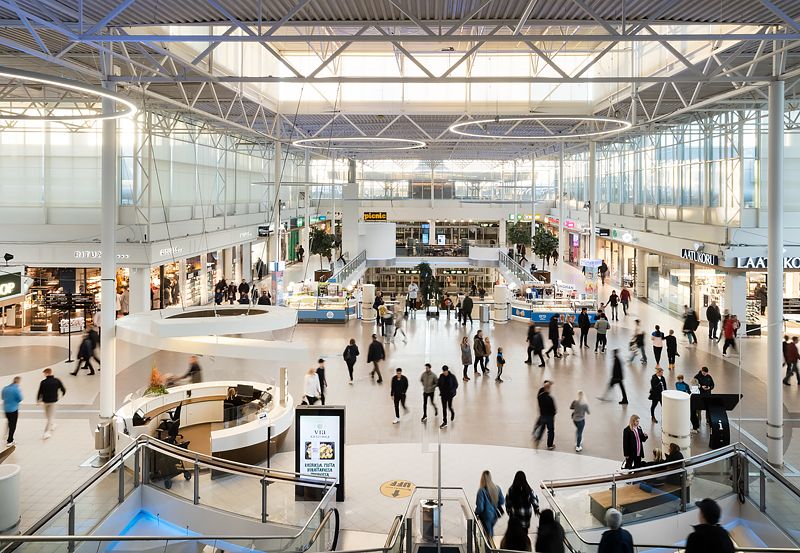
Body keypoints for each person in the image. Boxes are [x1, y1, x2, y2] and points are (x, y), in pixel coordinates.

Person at [475, 470, 505, 537]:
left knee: (487, 536)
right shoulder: (497, 488)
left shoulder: (481, 491)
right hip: (495, 515)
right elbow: (502, 501)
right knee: (490, 532)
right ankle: (491, 545)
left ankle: (489, 547)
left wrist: (475, 513)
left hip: (486, 516)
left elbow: (480, 508)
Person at [37, 368, 65, 439]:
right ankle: (52, 424)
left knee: (48, 417)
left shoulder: (43, 382)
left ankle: (46, 432)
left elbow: (40, 392)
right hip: (53, 401)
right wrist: (61, 395)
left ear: (46, 373)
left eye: (44, 373)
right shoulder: (57, 381)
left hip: (45, 401)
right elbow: (63, 389)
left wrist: (38, 400)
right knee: (49, 416)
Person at [533, 380, 556, 450]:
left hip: (542, 415)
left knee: (541, 429)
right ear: (548, 388)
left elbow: (542, 389)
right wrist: (553, 414)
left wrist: (547, 384)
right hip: (549, 417)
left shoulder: (539, 396)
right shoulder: (550, 399)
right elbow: (554, 409)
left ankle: (537, 439)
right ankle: (550, 445)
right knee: (551, 431)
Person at [2, 376, 22, 446]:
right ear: (18, 382)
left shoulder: (5, 388)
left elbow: (2, 397)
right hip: (13, 409)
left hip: (6, 409)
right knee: (13, 425)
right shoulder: (16, 389)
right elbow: (20, 398)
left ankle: (6, 435)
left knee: (9, 422)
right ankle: (10, 441)